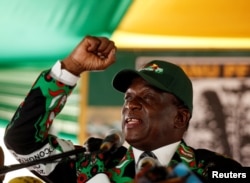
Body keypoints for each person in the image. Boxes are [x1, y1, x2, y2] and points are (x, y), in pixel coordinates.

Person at [4, 35, 241, 183]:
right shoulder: (93, 164)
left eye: (148, 97)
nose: (131, 105)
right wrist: (71, 68)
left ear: (180, 117)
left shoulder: (215, 171)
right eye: (128, 97)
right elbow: (23, 141)